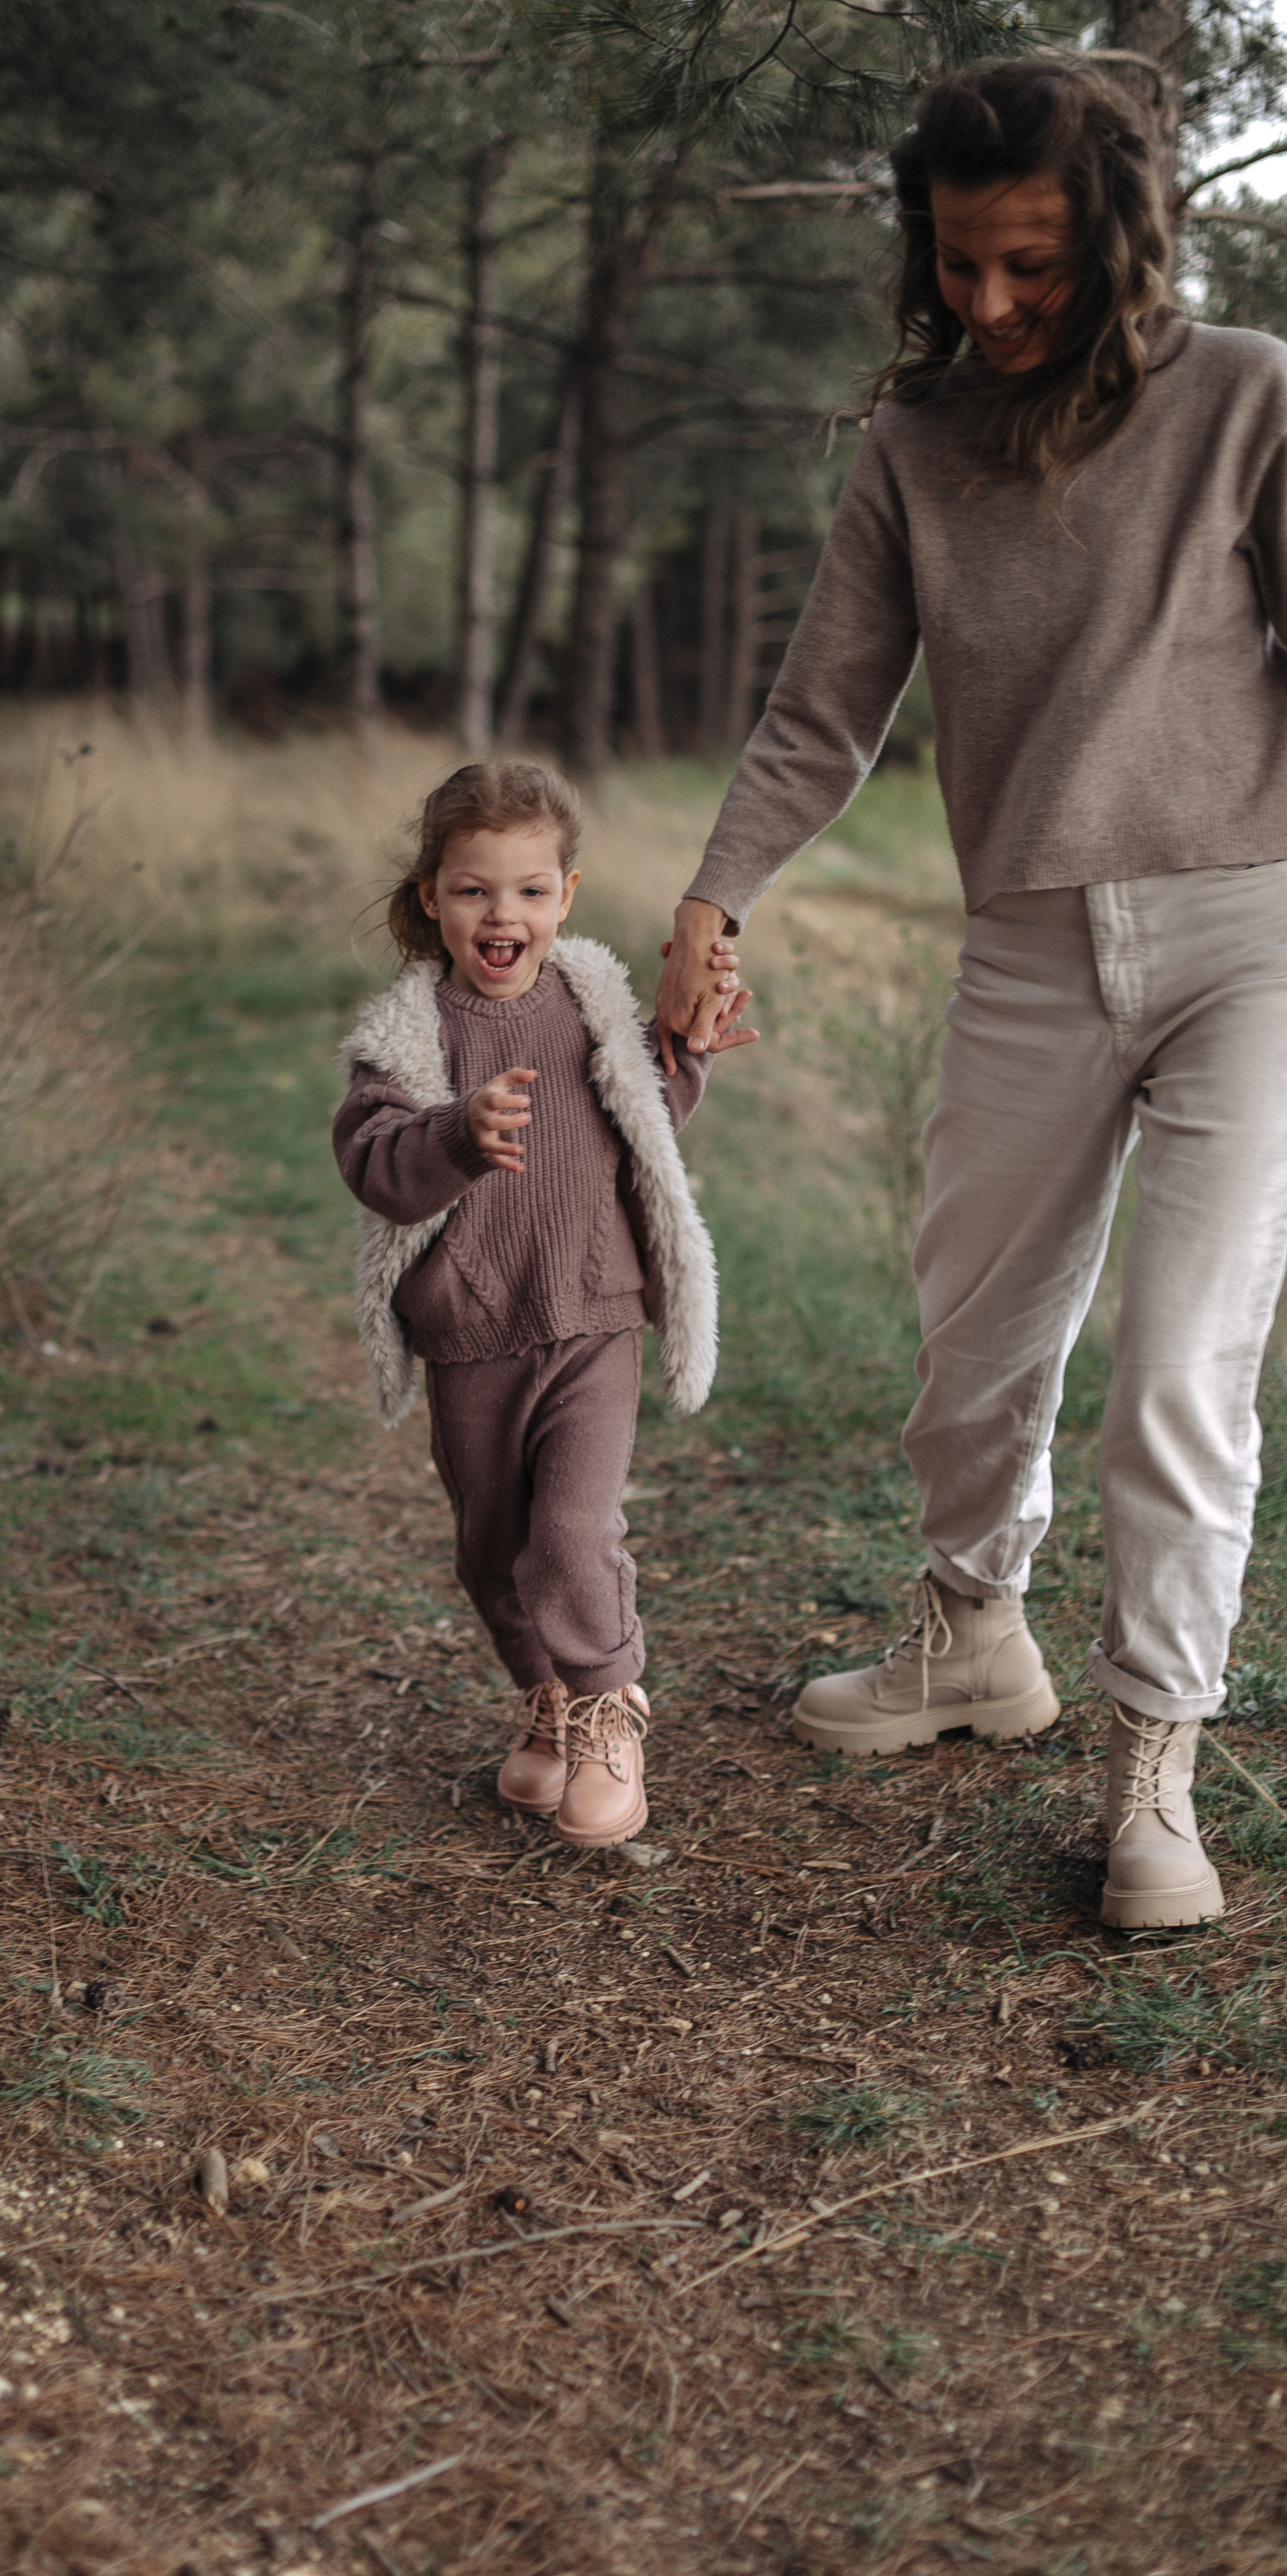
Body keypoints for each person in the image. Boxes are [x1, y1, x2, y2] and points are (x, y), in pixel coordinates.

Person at [656, 54, 1287, 1931]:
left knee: (1176, 1368)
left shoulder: (1246, 397)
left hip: (1248, 931)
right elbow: (822, 709)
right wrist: (712, 899)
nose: (990, 302)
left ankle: (1154, 1764)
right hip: (1026, 937)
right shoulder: (916, 445)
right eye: (955, 262)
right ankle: (968, 1638)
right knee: (974, 1340)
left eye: (1032, 265)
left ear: (1117, 241)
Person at [334, 760, 752, 1847]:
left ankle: (610, 1707)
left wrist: (691, 1051)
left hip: (593, 1316)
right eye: (474, 890)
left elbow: (643, 1115)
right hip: (472, 1329)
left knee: (571, 1530)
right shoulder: (408, 1034)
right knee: (493, 1546)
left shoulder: (591, 1001)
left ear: (565, 897)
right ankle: (549, 1695)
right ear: (431, 897)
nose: (502, 915)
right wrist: (456, 1133)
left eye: (528, 890)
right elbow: (377, 1166)